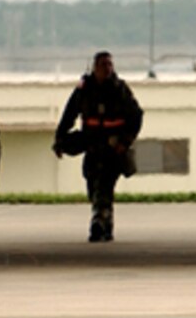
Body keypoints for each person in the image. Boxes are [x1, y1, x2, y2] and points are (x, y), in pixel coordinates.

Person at [53, 51, 143, 242]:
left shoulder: (120, 89)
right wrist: (60, 139)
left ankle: (98, 223)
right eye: (103, 64)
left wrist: (125, 142)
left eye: (109, 64)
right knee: (92, 184)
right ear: (95, 67)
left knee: (104, 186)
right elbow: (70, 114)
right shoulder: (84, 89)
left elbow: (136, 116)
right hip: (92, 147)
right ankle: (106, 223)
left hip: (112, 149)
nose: (107, 68)